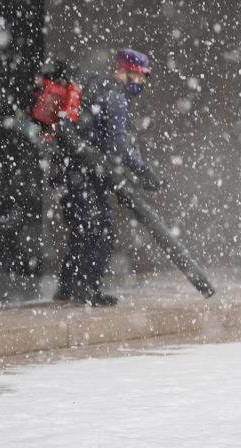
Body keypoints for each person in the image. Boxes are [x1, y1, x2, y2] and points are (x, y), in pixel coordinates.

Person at [51, 49, 161, 307]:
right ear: (122, 71)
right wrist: (142, 170)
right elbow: (116, 146)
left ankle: (67, 288)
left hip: (66, 171)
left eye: (144, 78)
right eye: (138, 77)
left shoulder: (92, 88)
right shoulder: (114, 97)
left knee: (81, 230)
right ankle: (87, 289)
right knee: (101, 233)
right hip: (83, 173)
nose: (140, 84)